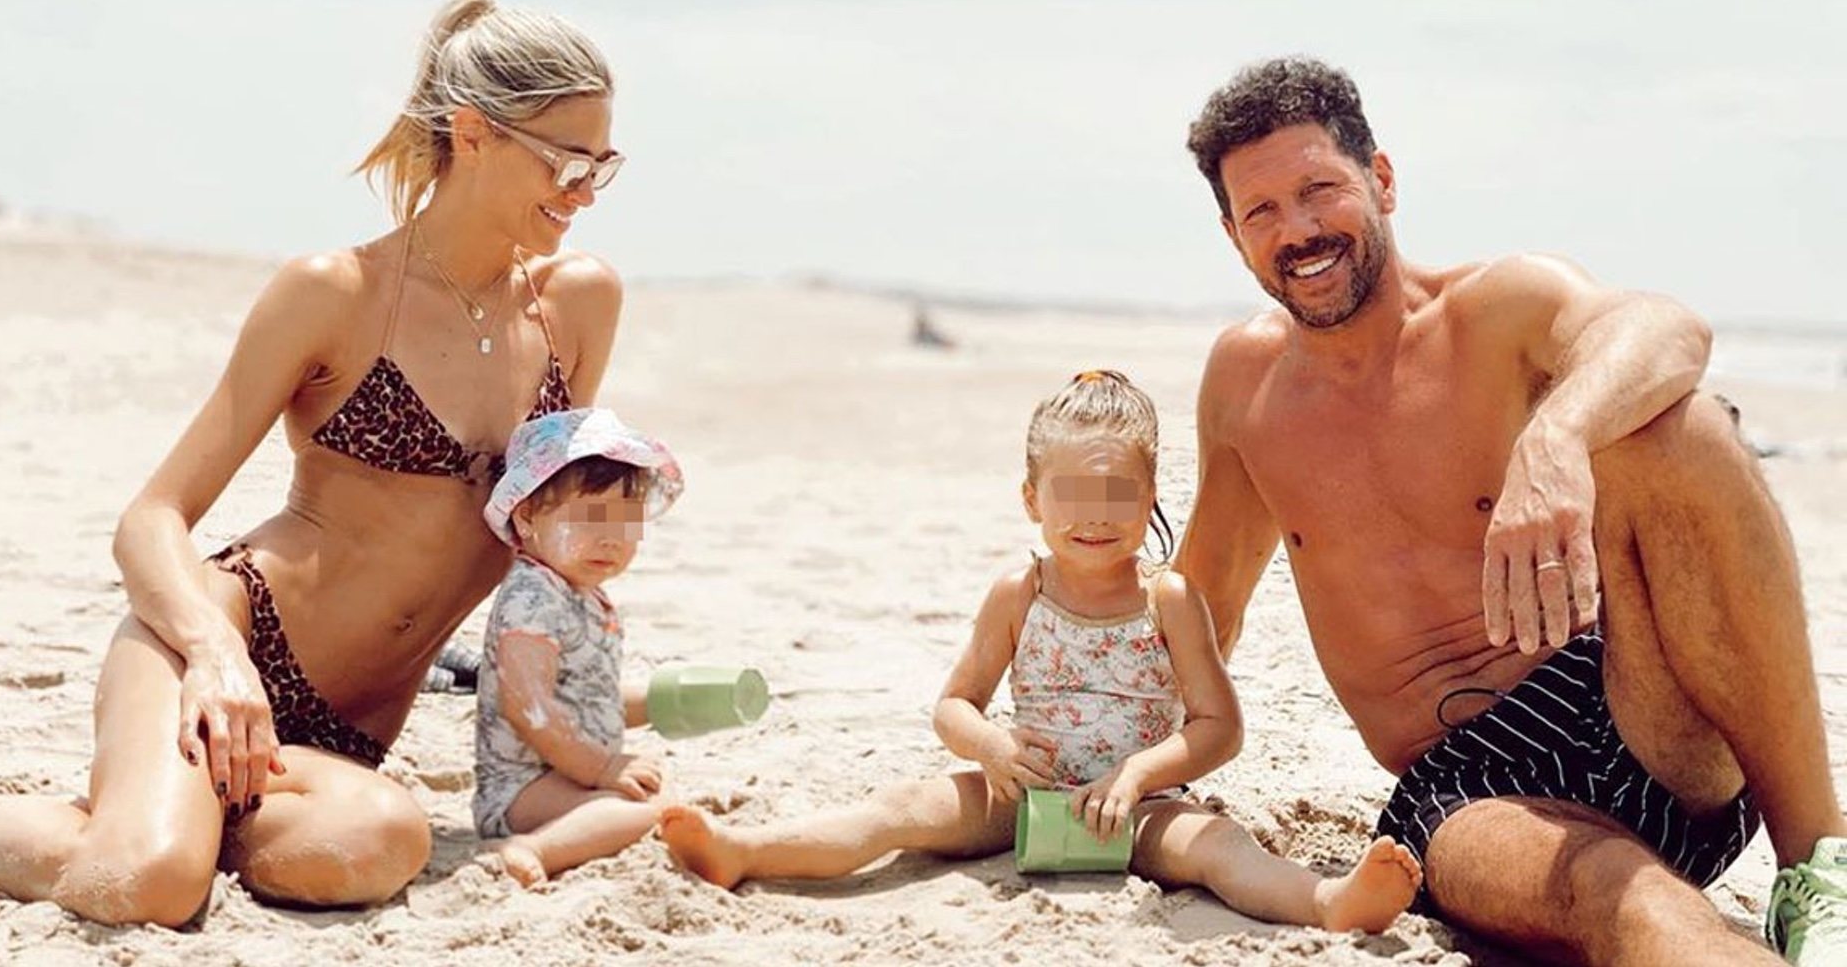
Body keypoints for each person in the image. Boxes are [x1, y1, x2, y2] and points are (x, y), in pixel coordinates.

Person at [0, 0, 629, 926]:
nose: (585, 189)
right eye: (566, 160)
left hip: (340, 742)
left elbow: (557, 536)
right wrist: (220, 658)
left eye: (603, 164)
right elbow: (152, 519)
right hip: (215, 646)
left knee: (376, 842)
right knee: (147, 888)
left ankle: (146, 815)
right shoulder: (334, 293)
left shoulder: (575, 305)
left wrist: (585, 708)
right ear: (474, 133)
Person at [1175, 56, 1847, 964]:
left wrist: (1556, 436)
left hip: (1632, 702)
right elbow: (1201, 607)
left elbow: (1666, 329)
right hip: (1468, 792)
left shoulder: (1497, 309)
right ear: (1233, 235)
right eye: (1262, 212)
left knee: (1678, 428)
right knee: (1618, 897)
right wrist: (1083, 731)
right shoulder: (1245, 387)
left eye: (1319, 190)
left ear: (1381, 180)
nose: (1299, 230)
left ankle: (1819, 867)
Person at [663, 371, 1423, 934]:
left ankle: (1329, 902)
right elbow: (954, 705)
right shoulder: (1018, 592)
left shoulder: (1170, 600)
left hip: (1141, 809)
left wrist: (1139, 775)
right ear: (1033, 499)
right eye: (1072, 497)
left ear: (1151, 492)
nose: (1095, 519)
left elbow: (1218, 727)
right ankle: (746, 851)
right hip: (1020, 799)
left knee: (1220, 846)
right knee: (899, 811)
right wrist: (990, 745)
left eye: (1117, 496)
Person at [471, 408, 683, 887]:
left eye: (628, 523)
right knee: (648, 812)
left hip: (565, 776)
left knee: (654, 800)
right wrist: (603, 766)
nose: (611, 538)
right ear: (526, 518)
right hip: (522, 791)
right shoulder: (532, 596)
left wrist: (664, 701)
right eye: (590, 519)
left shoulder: (579, 592)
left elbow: (590, 698)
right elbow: (530, 706)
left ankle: (578, 827)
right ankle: (533, 847)